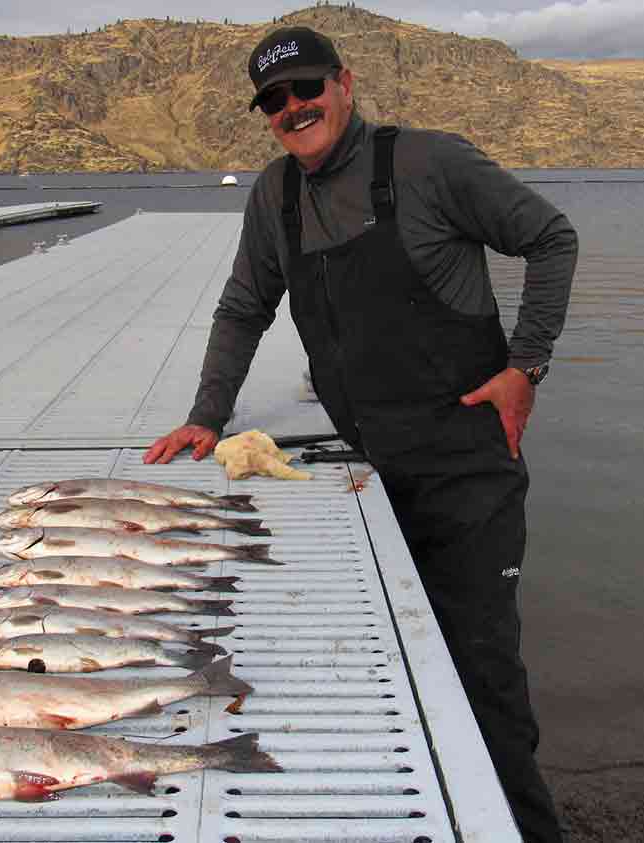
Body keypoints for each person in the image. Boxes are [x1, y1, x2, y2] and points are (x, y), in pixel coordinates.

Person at [144, 25, 576, 843]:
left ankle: (526, 828)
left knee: (484, 679)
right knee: (390, 672)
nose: (293, 109)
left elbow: (552, 239)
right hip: (370, 477)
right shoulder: (273, 195)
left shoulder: (430, 164)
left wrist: (527, 366)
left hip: (466, 477)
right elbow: (244, 308)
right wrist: (208, 415)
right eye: (274, 101)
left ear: (344, 82)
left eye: (306, 89)